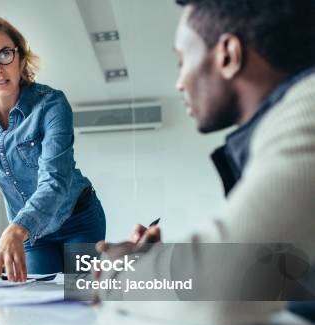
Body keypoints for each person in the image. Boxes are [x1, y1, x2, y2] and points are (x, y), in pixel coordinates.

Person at [97, 0, 315, 301]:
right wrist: (164, 264)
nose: (179, 83)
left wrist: (119, 272)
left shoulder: (308, 111)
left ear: (228, 54)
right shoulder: (276, 128)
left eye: (182, 61)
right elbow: (273, 270)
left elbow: (233, 284)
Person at [0, 17, 106, 281]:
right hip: (32, 235)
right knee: (38, 308)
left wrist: (16, 228)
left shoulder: (52, 104)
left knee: (80, 300)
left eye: (5, 54)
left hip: (79, 219)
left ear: (21, 58)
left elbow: (55, 181)